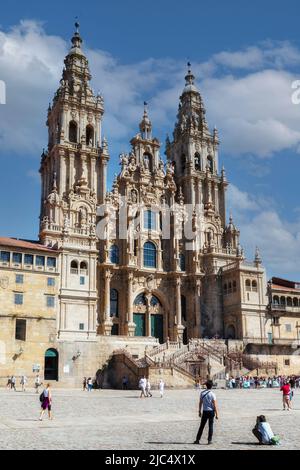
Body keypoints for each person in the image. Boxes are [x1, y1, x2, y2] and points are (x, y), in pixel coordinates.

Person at [194, 380, 219, 446]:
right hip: (211, 412)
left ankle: (197, 440)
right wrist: (217, 414)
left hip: (205, 411)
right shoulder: (213, 394)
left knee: (201, 426)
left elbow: (200, 403)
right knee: (210, 426)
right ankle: (209, 440)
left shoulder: (202, 393)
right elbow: (215, 405)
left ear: (206, 385)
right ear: (211, 386)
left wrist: (199, 411)